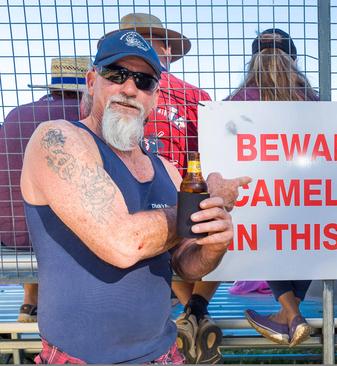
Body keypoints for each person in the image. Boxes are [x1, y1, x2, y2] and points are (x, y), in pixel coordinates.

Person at [20, 29, 248, 364]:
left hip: (163, 353)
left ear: (154, 96)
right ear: (92, 80)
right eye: (117, 74)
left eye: (144, 81)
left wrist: (213, 241)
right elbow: (124, 243)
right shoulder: (58, 140)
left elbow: (186, 266)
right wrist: (195, 206)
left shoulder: (167, 170)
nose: (129, 88)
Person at [117, 13, 220, 364]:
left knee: (164, 244)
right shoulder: (195, 95)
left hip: (140, 188)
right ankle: (197, 309)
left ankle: (187, 312)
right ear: (165, 50)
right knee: (212, 235)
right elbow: (210, 147)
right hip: (187, 186)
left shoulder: (120, 92)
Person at [228, 28, 317, 348]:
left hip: (260, 194)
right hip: (309, 195)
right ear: (293, 60)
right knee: (312, 240)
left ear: (253, 61)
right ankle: (291, 314)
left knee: (260, 231)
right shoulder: (310, 98)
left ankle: (290, 314)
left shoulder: (239, 99)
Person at [1, 56, 89, 323]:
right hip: (67, 237)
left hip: (12, 234)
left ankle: (30, 304)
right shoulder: (86, 117)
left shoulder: (17, 114)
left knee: (30, 198)